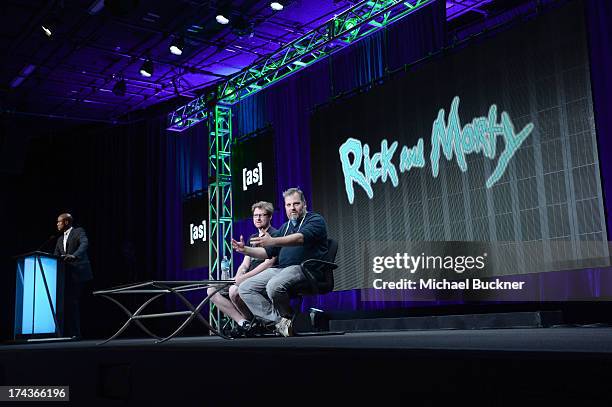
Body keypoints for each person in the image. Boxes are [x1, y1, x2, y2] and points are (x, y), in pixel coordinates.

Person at [233, 188, 328, 337]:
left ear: (304, 204)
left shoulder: (315, 220)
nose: (292, 208)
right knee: (245, 288)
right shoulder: (285, 227)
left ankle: (285, 322)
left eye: (296, 204)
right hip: (282, 269)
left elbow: (300, 238)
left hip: (304, 268)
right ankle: (281, 323)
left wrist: (273, 240)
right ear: (285, 207)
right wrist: (245, 250)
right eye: (288, 205)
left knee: (273, 286)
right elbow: (267, 253)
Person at [207, 202, 277, 337]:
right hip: (245, 278)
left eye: (262, 215)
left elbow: (269, 264)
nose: (258, 218)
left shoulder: (274, 235)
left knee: (234, 290)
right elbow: (245, 264)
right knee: (211, 290)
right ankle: (243, 323)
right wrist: (237, 276)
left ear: (270, 217)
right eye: (255, 215)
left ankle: (252, 323)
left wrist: (242, 279)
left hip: (262, 279)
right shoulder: (252, 237)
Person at [53, 213, 93, 338]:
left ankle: (76, 334)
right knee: (67, 303)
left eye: (59, 221)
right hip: (65, 276)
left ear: (66, 222)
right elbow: (55, 256)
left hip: (79, 273)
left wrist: (74, 255)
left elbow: (84, 244)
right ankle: (65, 333)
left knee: (73, 302)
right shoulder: (59, 239)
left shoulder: (78, 231)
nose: (57, 224)